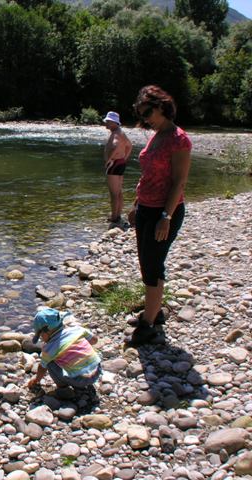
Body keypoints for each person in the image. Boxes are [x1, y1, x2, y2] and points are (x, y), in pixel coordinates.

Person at [127, 85, 192, 346]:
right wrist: (136, 204)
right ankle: (154, 312)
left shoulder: (179, 139)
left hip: (164, 211)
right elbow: (148, 176)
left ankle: (148, 326)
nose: (145, 119)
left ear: (162, 106)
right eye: (141, 114)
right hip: (146, 208)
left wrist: (166, 216)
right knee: (147, 263)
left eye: (148, 113)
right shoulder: (157, 135)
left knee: (152, 266)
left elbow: (179, 182)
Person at [27, 307, 102, 392]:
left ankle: (62, 386)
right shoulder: (77, 329)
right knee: (87, 347)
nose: (41, 338)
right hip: (97, 371)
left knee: (49, 363)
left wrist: (37, 379)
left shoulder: (49, 349)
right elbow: (94, 340)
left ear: (46, 332)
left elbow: (42, 368)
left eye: (41, 335)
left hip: (79, 381)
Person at [103, 111, 132, 225]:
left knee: (114, 194)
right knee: (119, 192)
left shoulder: (115, 133)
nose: (106, 123)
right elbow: (129, 145)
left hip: (113, 164)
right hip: (120, 163)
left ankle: (114, 217)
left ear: (114, 122)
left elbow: (114, 146)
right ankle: (118, 215)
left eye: (108, 121)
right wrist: (125, 157)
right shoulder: (121, 132)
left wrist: (109, 160)